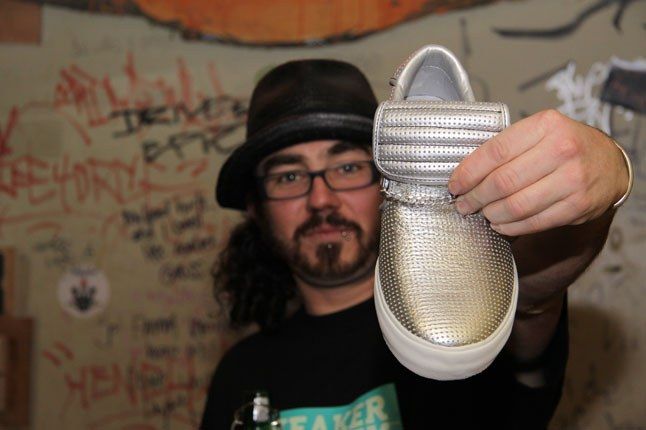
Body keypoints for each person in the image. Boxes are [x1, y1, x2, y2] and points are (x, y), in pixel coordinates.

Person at [200, 58, 631, 429]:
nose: (321, 200)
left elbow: (534, 294)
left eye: (347, 167)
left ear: (390, 173)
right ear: (255, 207)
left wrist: (603, 181)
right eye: (289, 176)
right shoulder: (238, 374)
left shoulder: (472, 312)